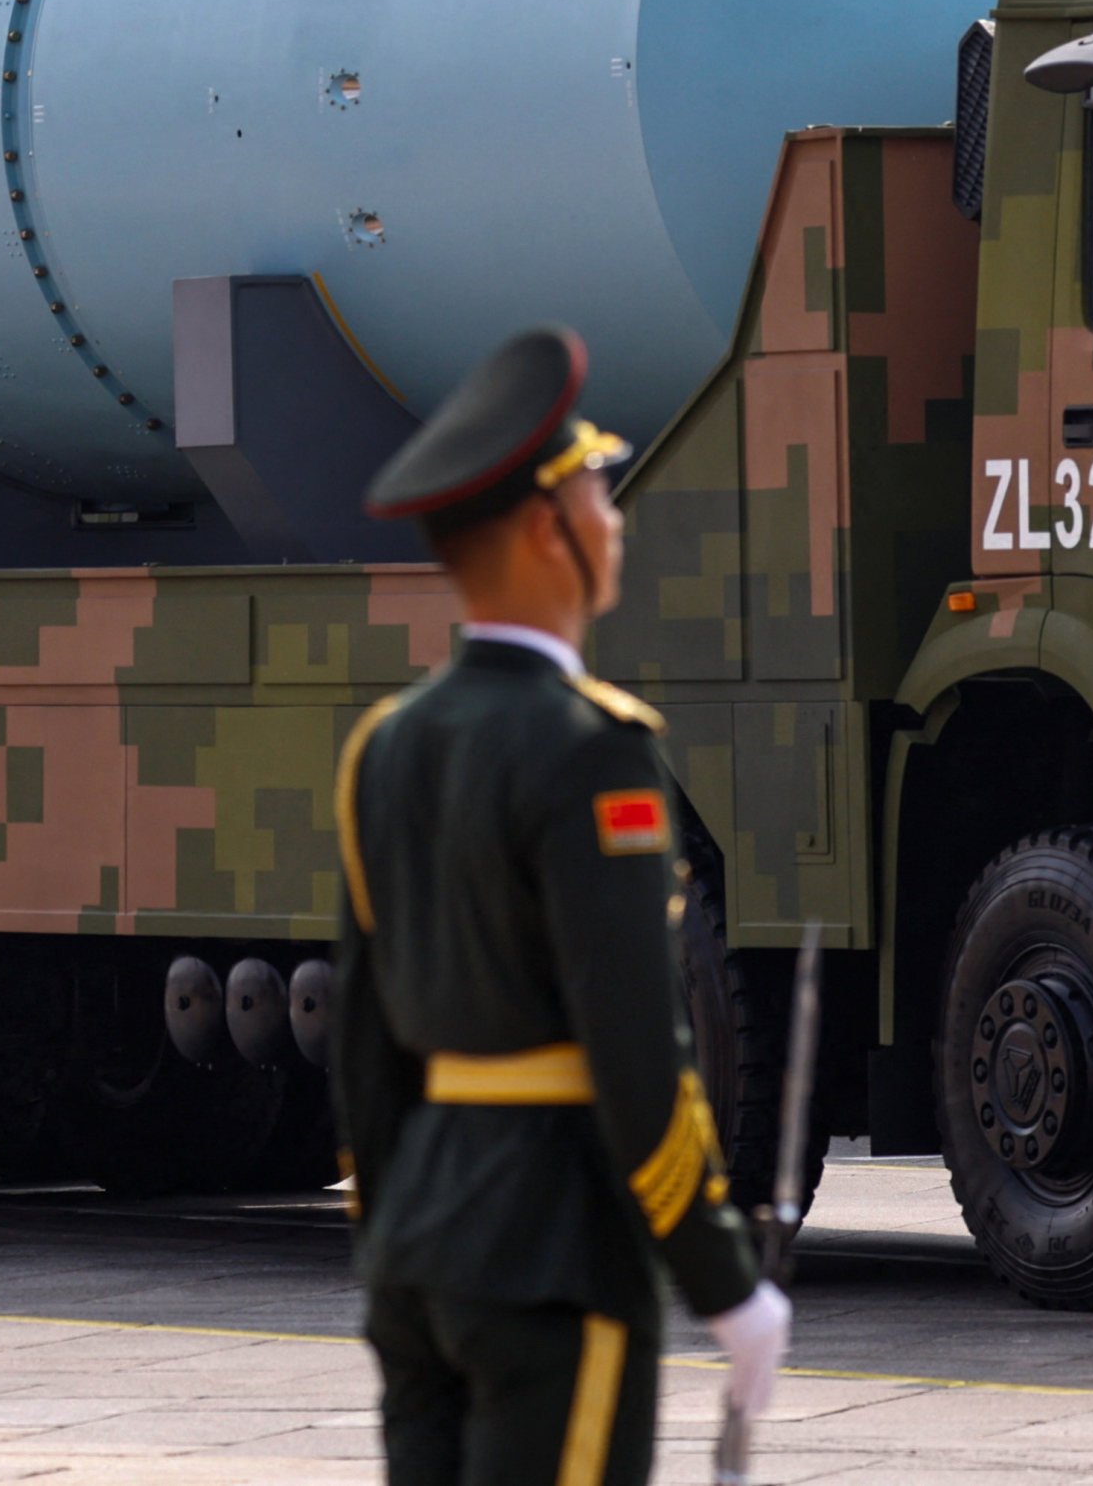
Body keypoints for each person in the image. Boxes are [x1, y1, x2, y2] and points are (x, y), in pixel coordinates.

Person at [334, 327, 788, 1486]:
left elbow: (365, 1055)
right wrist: (725, 1285)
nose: (615, 515)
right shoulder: (592, 752)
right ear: (547, 531)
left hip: (420, 1257)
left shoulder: (383, 750)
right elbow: (641, 1053)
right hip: (553, 1250)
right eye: (597, 491)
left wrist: (396, 1242)